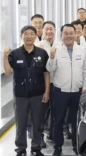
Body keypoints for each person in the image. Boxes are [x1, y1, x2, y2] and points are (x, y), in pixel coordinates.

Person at [3, 26, 50, 156]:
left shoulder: (42, 53)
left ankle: (36, 148)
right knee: (21, 123)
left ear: (35, 36)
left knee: (37, 122)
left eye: (31, 34)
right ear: (21, 36)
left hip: (38, 94)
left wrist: (47, 92)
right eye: (26, 34)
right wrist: (5, 56)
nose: (29, 36)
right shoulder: (14, 54)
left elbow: (46, 73)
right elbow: (8, 72)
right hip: (20, 95)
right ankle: (21, 149)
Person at [47, 24, 86, 156]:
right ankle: (57, 147)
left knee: (76, 121)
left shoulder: (81, 50)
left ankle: (77, 147)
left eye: (72, 33)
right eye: (66, 33)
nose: (69, 36)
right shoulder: (57, 51)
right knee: (58, 121)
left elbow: (85, 70)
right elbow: (50, 69)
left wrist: (85, 86)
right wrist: (52, 57)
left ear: (76, 34)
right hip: (60, 92)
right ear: (62, 35)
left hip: (77, 92)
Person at [37, 21, 61, 144]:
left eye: (51, 29)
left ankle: (52, 134)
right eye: (47, 29)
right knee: (42, 111)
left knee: (56, 110)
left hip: (57, 83)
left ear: (55, 30)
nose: (49, 32)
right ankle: (40, 136)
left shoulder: (60, 45)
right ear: (42, 31)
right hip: (43, 84)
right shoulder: (39, 46)